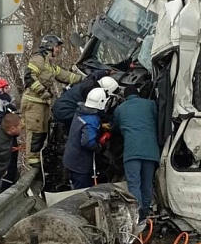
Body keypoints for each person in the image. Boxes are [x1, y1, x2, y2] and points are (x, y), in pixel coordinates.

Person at [21, 34, 83, 194]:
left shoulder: (49, 64)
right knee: (36, 132)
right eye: (58, 46)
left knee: (42, 132)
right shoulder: (38, 59)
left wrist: (84, 79)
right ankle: (33, 165)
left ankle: (37, 165)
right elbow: (28, 77)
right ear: (49, 45)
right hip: (34, 102)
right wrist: (42, 91)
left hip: (43, 104)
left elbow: (65, 76)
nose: (59, 49)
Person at [112, 85, 161, 222]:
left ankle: (136, 215)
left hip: (132, 151)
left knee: (134, 184)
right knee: (147, 183)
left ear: (125, 96)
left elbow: (115, 127)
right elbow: (158, 121)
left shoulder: (120, 109)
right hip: (151, 151)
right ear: (138, 93)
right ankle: (145, 213)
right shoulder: (151, 105)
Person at [63, 88, 108, 189]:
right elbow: (88, 142)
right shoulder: (92, 120)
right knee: (82, 192)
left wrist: (100, 125)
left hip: (70, 159)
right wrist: (99, 147)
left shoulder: (80, 112)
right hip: (81, 164)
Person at [52, 71, 118, 131]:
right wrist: (106, 121)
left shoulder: (90, 81)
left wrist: (107, 72)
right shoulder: (92, 94)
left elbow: (94, 74)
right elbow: (96, 112)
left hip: (59, 105)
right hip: (65, 113)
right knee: (84, 126)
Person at [0, 79, 20, 193]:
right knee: (7, 167)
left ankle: (9, 188)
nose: (8, 90)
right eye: (6, 88)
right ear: (0, 89)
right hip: (4, 139)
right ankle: (3, 192)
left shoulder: (7, 102)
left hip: (10, 137)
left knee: (12, 166)